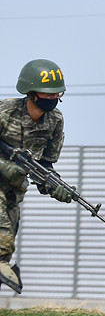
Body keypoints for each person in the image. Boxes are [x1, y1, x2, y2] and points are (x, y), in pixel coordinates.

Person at [0, 59, 72, 294]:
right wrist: (4, 166)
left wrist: (54, 185)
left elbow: (45, 165)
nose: (52, 99)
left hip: (13, 192)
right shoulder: (5, 112)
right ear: (30, 92)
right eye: (46, 94)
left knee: (4, 254)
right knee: (2, 245)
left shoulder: (55, 121)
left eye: (56, 94)